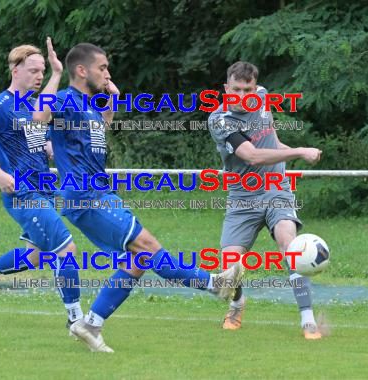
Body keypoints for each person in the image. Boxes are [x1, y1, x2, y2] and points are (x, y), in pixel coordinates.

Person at [33, 42, 245, 353]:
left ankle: (90, 324)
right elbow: (40, 116)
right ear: (81, 70)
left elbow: (99, 127)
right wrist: (55, 74)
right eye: (102, 68)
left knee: (139, 260)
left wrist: (113, 99)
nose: (107, 73)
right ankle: (214, 284)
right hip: (85, 197)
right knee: (149, 247)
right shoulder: (65, 98)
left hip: (100, 194)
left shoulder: (87, 104)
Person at [0, 40, 83, 327]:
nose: (39, 75)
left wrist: (48, 147)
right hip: (22, 194)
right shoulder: (1, 106)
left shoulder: (30, 105)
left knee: (33, 256)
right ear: (15, 70)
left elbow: (36, 137)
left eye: (42, 71)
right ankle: (76, 320)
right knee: (66, 249)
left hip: (43, 189)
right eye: (33, 70)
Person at [207, 61, 325, 339]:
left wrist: (292, 151)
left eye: (248, 89)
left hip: (275, 188)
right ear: (226, 88)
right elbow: (252, 155)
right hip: (242, 196)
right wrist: (299, 151)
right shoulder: (219, 119)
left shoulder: (262, 96)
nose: (242, 95)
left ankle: (308, 320)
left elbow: (271, 143)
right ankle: (237, 303)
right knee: (230, 264)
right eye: (236, 89)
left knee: (290, 243)